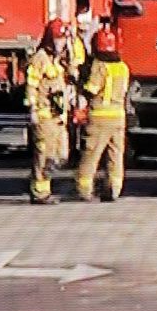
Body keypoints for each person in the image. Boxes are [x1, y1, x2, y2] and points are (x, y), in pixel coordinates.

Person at [75, 27, 130, 202]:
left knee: (92, 154)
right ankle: (113, 189)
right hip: (119, 117)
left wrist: (79, 85)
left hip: (100, 117)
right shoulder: (122, 66)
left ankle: (84, 189)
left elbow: (92, 89)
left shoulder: (99, 66)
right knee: (116, 155)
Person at [25, 19, 73, 204]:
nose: (61, 42)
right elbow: (31, 85)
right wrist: (32, 110)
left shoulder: (59, 60)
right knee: (44, 154)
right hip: (44, 114)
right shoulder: (40, 58)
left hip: (58, 116)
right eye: (59, 39)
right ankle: (40, 192)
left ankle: (43, 181)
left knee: (62, 154)